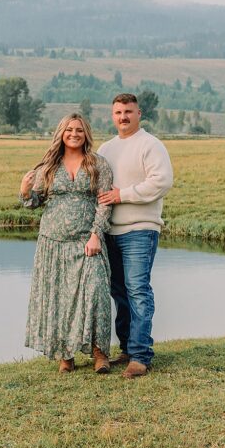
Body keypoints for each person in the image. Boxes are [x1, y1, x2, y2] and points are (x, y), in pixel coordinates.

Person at [20, 113, 114, 374]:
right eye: (69, 129)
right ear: (61, 133)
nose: (74, 134)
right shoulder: (48, 167)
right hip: (53, 243)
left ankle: (100, 353)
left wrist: (97, 234)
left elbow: (104, 202)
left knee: (96, 294)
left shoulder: (98, 164)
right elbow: (33, 203)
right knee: (59, 298)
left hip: (87, 241)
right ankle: (65, 355)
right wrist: (25, 190)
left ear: (86, 134)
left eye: (79, 130)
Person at [97, 93, 174, 379]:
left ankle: (141, 356)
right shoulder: (106, 148)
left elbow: (161, 182)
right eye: (118, 112)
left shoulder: (150, 145)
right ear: (112, 115)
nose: (123, 117)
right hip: (111, 232)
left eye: (128, 112)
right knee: (119, 292)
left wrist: (122, 195)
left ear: (139, 114)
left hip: (140, 229)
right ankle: (128, 349)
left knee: (138, 290)